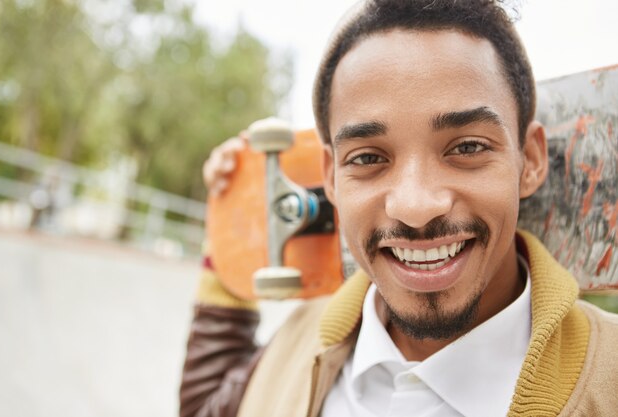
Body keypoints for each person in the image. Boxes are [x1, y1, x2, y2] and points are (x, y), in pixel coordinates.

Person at [180, 1, 618, 416]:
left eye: (467, 147)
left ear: (531, 161)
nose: (415, 207)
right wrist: (235, 224)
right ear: (331, 177)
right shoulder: (301, 342)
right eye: (369, 158)